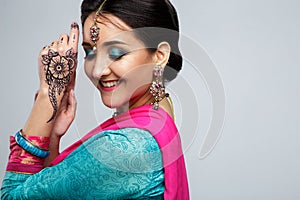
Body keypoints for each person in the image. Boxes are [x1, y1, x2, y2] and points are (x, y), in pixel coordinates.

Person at [1, 0, 189, 199]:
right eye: (90, 52)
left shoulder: (125, 148)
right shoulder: (160, 110)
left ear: (159, 55)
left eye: (116, 53)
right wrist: (52, 136)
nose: (98, 70)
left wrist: (48, 95)